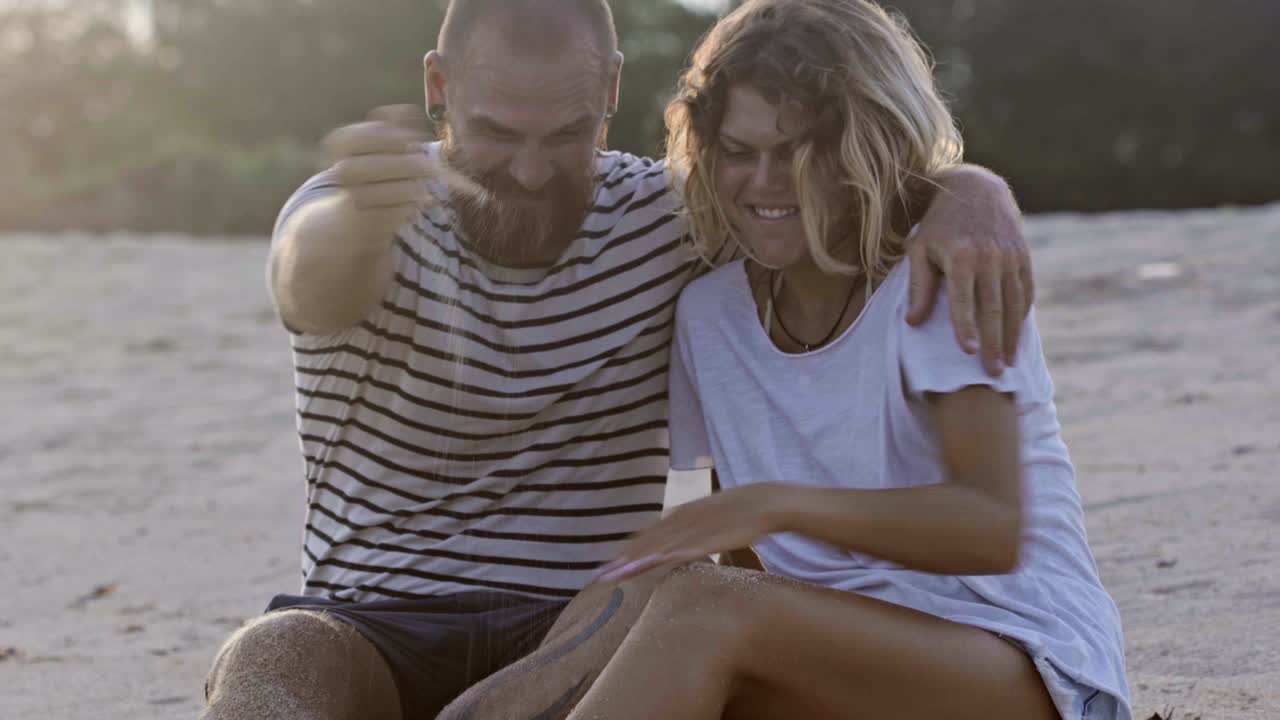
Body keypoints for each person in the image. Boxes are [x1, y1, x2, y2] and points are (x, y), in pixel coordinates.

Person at [200, 1, 1036, 718]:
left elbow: (815, 189)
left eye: (565, 135)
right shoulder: (347, 215)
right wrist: (358, 221)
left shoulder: (677, 221)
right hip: (372, 624)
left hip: (592, 630)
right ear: (439, 91)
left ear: (609, 93)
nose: (529, 171)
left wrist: (969, 191)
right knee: (275, 655)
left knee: (666, 602)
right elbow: (309, 286)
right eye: (496, 133)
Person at [561, 1, 1131, 719]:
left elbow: (991, 529)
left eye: (800, 151)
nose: (766, 181)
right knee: (664, 624)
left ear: (866, 145)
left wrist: (776, 504)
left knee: (701, 608)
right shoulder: (708, 318)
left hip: (1023, 664)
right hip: (849, 669)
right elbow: (751, 570)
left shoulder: (941, 274)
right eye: (739, 151)